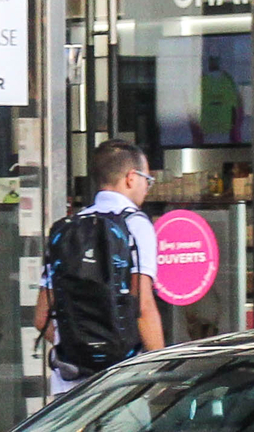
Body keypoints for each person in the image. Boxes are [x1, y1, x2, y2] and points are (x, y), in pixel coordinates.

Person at [35, 140, 165, 396]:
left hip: (68, 384)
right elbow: (143, 308)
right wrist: (161, 370)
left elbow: (41, 317)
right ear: (131, 178)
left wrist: (80, 348)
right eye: (146, 180)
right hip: (121, 383)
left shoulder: (68, 230)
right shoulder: (135, 225)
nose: (146, 188)